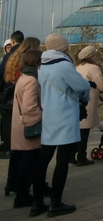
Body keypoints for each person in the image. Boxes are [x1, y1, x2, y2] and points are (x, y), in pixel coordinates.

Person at [32, 33, 91, 217]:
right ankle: (56, 203)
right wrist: (84, 99)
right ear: (63, 48)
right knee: (62, 161)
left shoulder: (41, 66)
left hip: (48, 116)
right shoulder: (64, 65)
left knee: (43, 160)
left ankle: (37, 203)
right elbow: (82, 87)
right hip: (64, 116)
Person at [74, 45, 103, 166]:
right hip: (88, 100)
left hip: (76, 101)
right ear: (91, 56)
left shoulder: (77, 67)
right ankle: (81, 157)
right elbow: (101, 82)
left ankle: (72, 154)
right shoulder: (93, 68)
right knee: (84, 130)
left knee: (76, 130)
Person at [9, 50, 42, 209]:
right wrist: (43, 117)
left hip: (19, 126)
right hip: (29, 128)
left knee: (24, 161)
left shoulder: (22, 77)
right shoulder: (31, 80)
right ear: (37, 62)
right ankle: (22, 196)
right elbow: (30, 108)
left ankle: (21, 194)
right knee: (28, 162)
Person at [0, 30, 24, 159]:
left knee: (7, 121)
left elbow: (2, 73)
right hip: (24, 92)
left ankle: (9, 147)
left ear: (13, 41)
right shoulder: (27, 53)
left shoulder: (9, 56)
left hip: (8, 93)